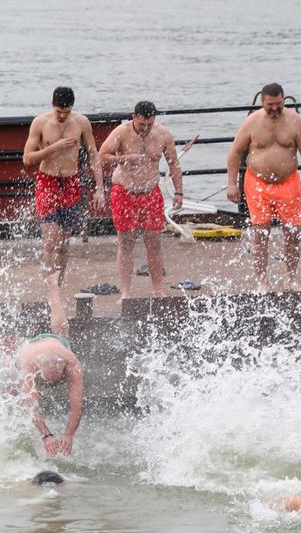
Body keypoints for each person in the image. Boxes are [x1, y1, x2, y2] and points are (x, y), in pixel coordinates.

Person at [227, 83, 301, 292]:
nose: (275, 109)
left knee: (293, 232)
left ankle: (291, 277)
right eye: (270, 105)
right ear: (262, 101)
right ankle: (261, 280)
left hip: (289, 182)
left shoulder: (295, 121)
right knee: (260, 232)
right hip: (257, 182)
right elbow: (234, 154)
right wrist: (231, 185)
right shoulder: (252, 122)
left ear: (284, 99)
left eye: (278, 104)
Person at [98, 101, 183, 299]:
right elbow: (102, 156)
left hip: (150, 192)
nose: (145, 128)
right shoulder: (121, 132)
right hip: (124, 190)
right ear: (134, 117)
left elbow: (174, 164)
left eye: (149, 124)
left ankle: (158, 289)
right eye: (141, 124)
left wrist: (179, 192)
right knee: (126, 242)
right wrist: (125, 158)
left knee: (154, 242)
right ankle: (126, 292)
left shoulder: (163, 134)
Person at [23, 87, 105, 284]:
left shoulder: (81, 123)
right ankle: (48, 286)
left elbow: (94, 155)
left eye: (66, 112)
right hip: (47, 182)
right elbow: (27, 158)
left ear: (72, 108)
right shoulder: (41, 122)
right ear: (52, 104)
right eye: (59, 111)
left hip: (71, 183)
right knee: (50, 241)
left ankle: (58, 284)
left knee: (63, 244)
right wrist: (54, 147)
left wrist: (100, 188)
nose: (62, 115)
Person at [19, 271, 84, 457]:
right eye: (49, 380)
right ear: (39, 371)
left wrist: (69, 434)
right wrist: (46, 435)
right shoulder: (28, 366)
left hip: (56, 344)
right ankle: (52, 286)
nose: (54, 384)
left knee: (62, 330)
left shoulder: (71, 362)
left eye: (59, 378)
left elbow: (77, 405)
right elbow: (32, 406)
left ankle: (53, 286)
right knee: (11, 380)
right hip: (28, 350)